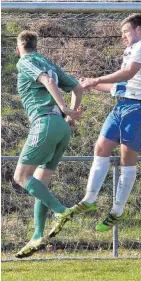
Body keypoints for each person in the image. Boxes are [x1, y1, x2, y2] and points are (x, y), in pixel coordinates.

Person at [75, 14, 141, 232]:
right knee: (101, 147)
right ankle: (90, 198)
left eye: (126, 32)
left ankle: (117, 210)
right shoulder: (130, 51)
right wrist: (90, 85)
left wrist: (97, 79)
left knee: (126, 160)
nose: (123, 36)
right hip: (122, 105)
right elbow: (120, 86)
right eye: (122, 33)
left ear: (139, 30)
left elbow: (128, 73)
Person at [13, 31, 84, 258]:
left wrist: (65, 108)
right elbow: (78, 88)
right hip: (61, 129)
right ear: (36, 45)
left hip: (45, 123)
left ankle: (61, 211)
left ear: (18, 49)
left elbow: (48, 81)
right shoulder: (47, 61)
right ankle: (37, 236)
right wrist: (70, 118)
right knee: (40, 183)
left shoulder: (25, 62)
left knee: (22, 177)